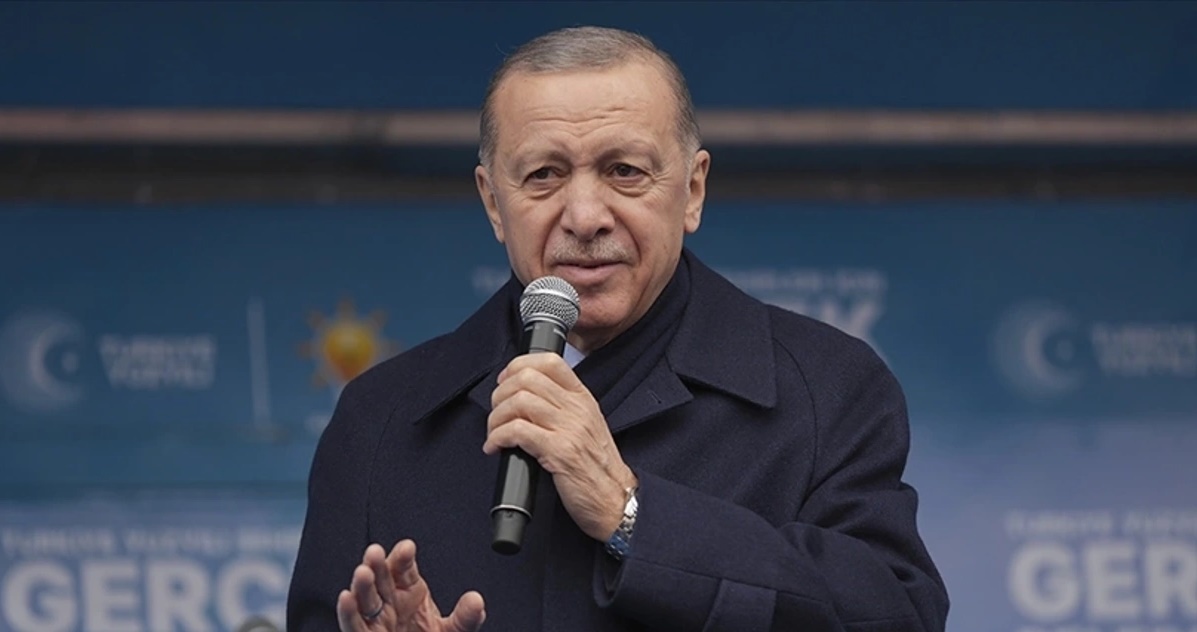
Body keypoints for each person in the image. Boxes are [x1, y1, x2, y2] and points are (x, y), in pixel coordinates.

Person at [286, 25, 949, 632]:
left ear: (692, 191)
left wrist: (632, 513)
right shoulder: (381, 419)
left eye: (623, 171)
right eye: (544, 175)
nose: (584, 216)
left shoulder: (825, 388)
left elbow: (895, 616)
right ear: (492, 202)